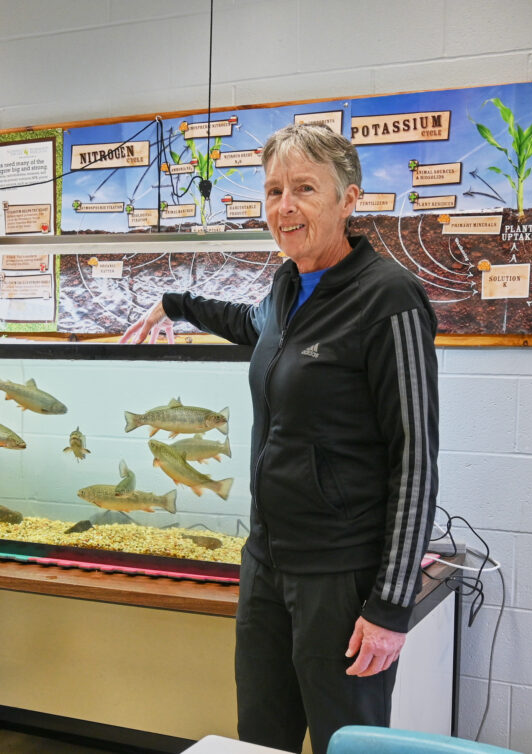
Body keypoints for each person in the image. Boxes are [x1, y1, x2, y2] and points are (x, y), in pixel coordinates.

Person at [121, 123, 438, 754]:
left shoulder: (389, 300)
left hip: (340, 578)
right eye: (272, 191)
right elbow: (253, 326)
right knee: (259, 739)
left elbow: (417, 461)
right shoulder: (288, 286)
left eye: (303, 189)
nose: (283, 206)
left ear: (349, 201)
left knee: (346, 742)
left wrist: (390, 608)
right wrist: (173, 303)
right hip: (267, 564)